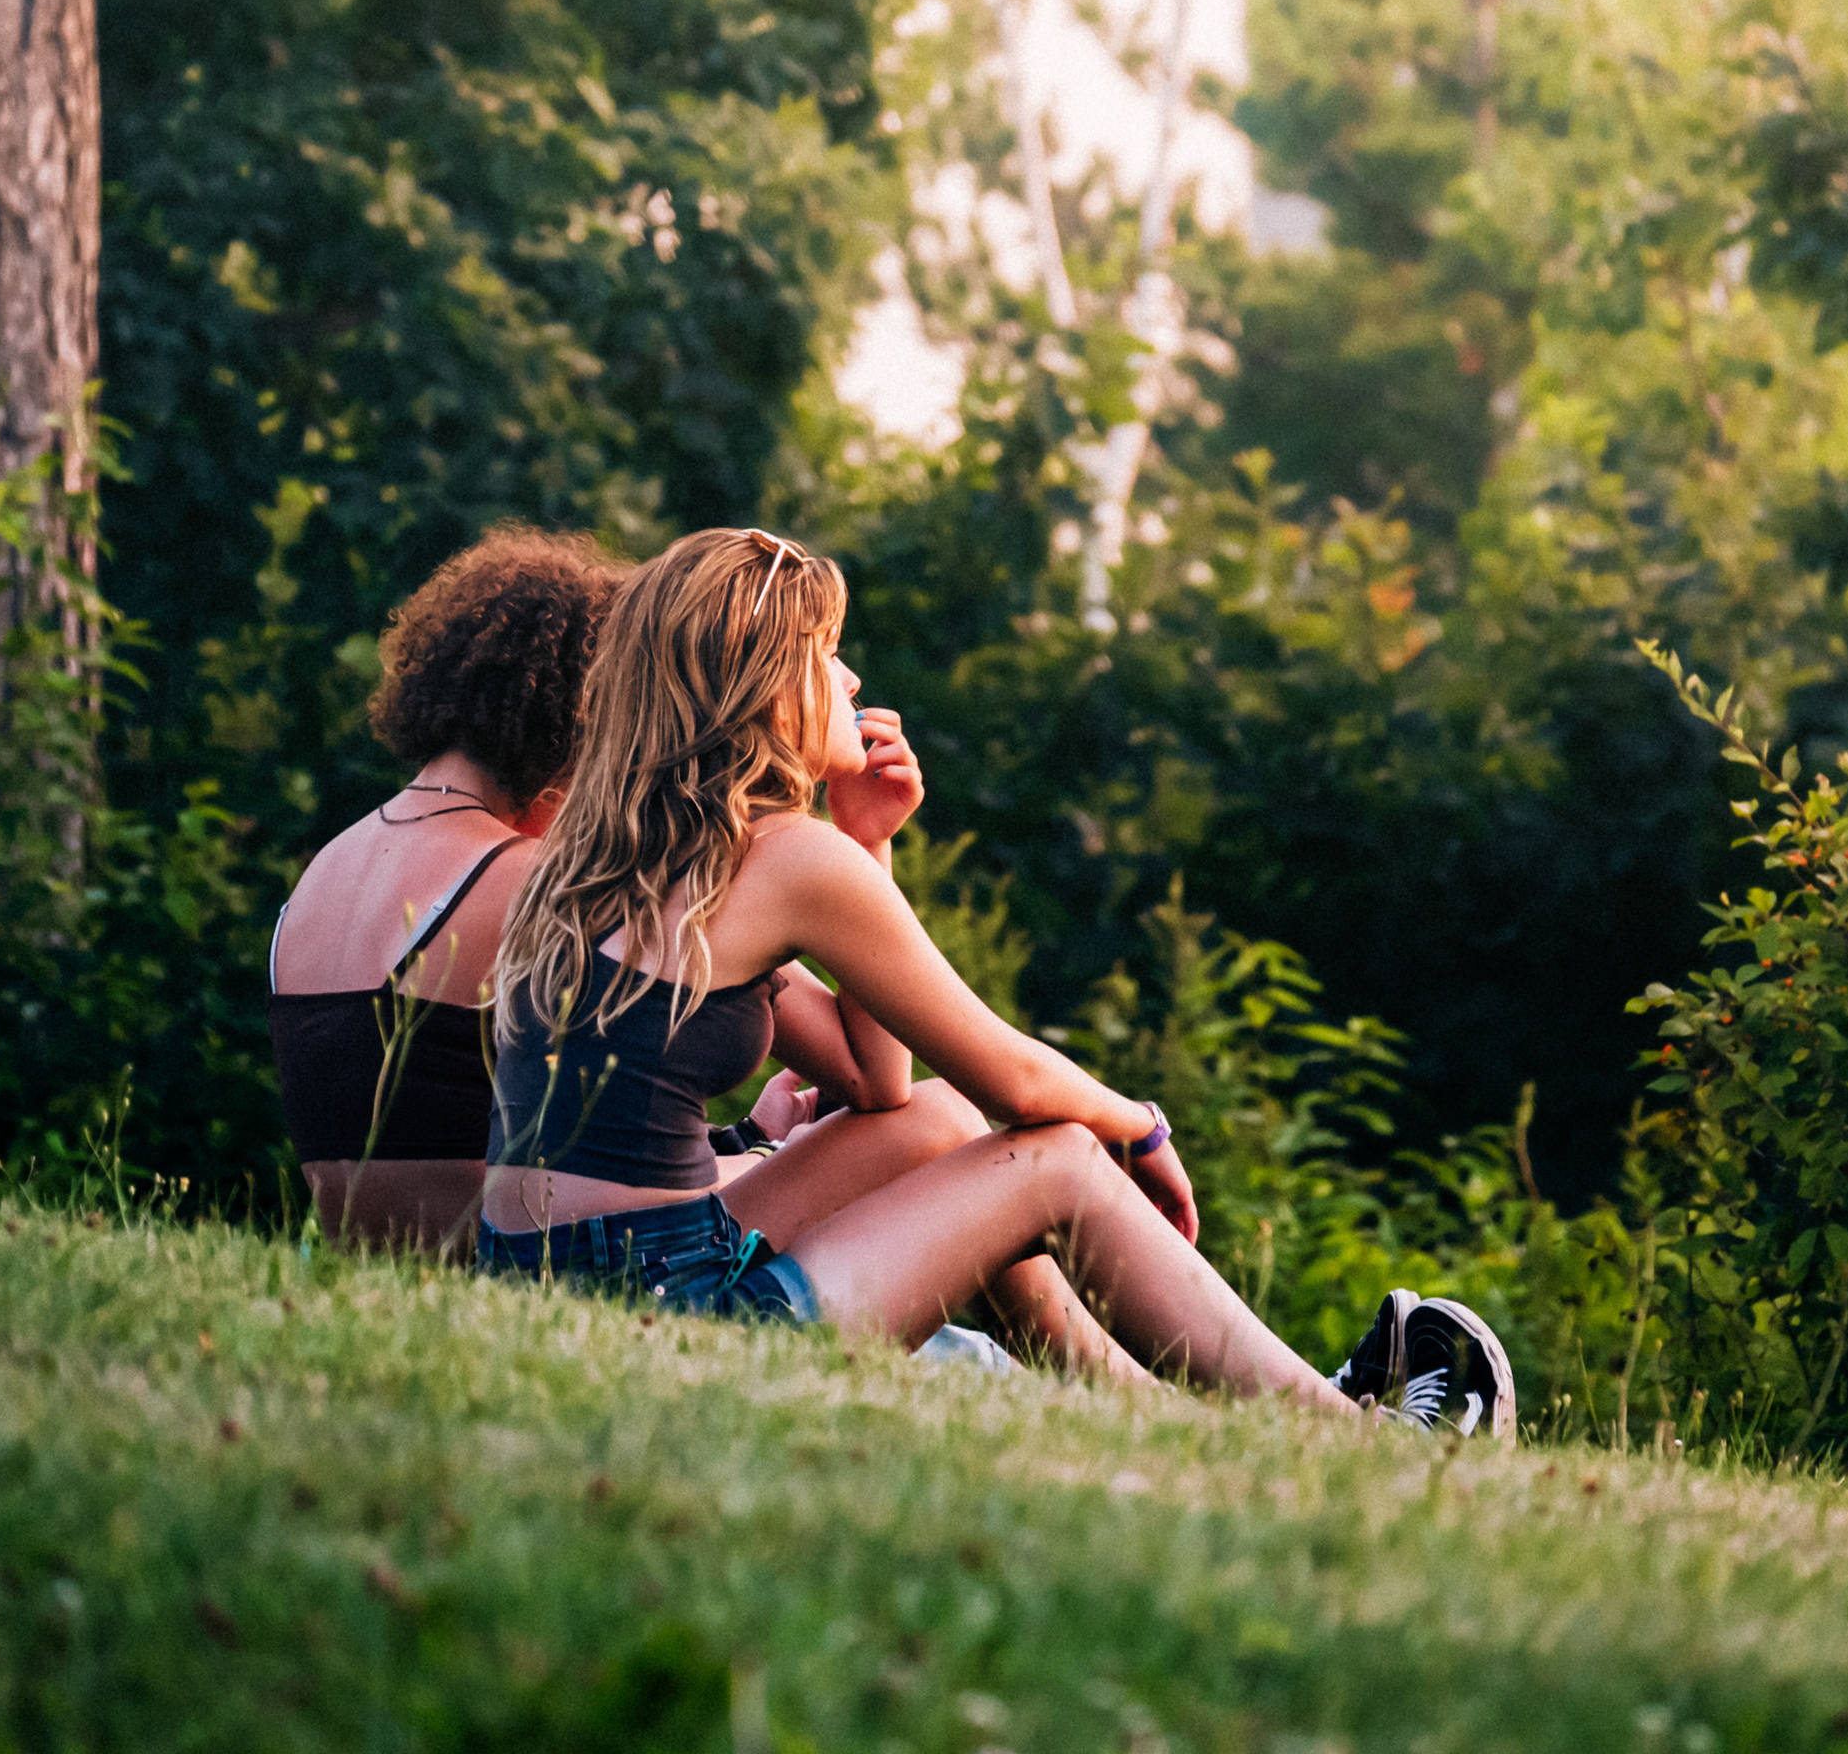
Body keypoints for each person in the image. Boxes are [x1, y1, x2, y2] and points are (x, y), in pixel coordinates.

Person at [480, 526, 1513, 1435]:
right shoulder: (779, 859)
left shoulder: (598, 859)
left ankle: (1166, 1419)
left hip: (548, 1287)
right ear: (762, 682)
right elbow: (1014, 1077)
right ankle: (1344, 1436)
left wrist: (869, 840)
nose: (848, 680)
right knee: (1058, 1159)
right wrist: (1137, 1127)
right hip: (674, 1310)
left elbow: (875, 1083)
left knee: (934, 1118)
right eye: (824, 654)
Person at [268, 529, 623, 1253]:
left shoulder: (327, 869)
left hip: (354, 1252)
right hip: (481, 1257)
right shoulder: (519, 875)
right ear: (578, 714)